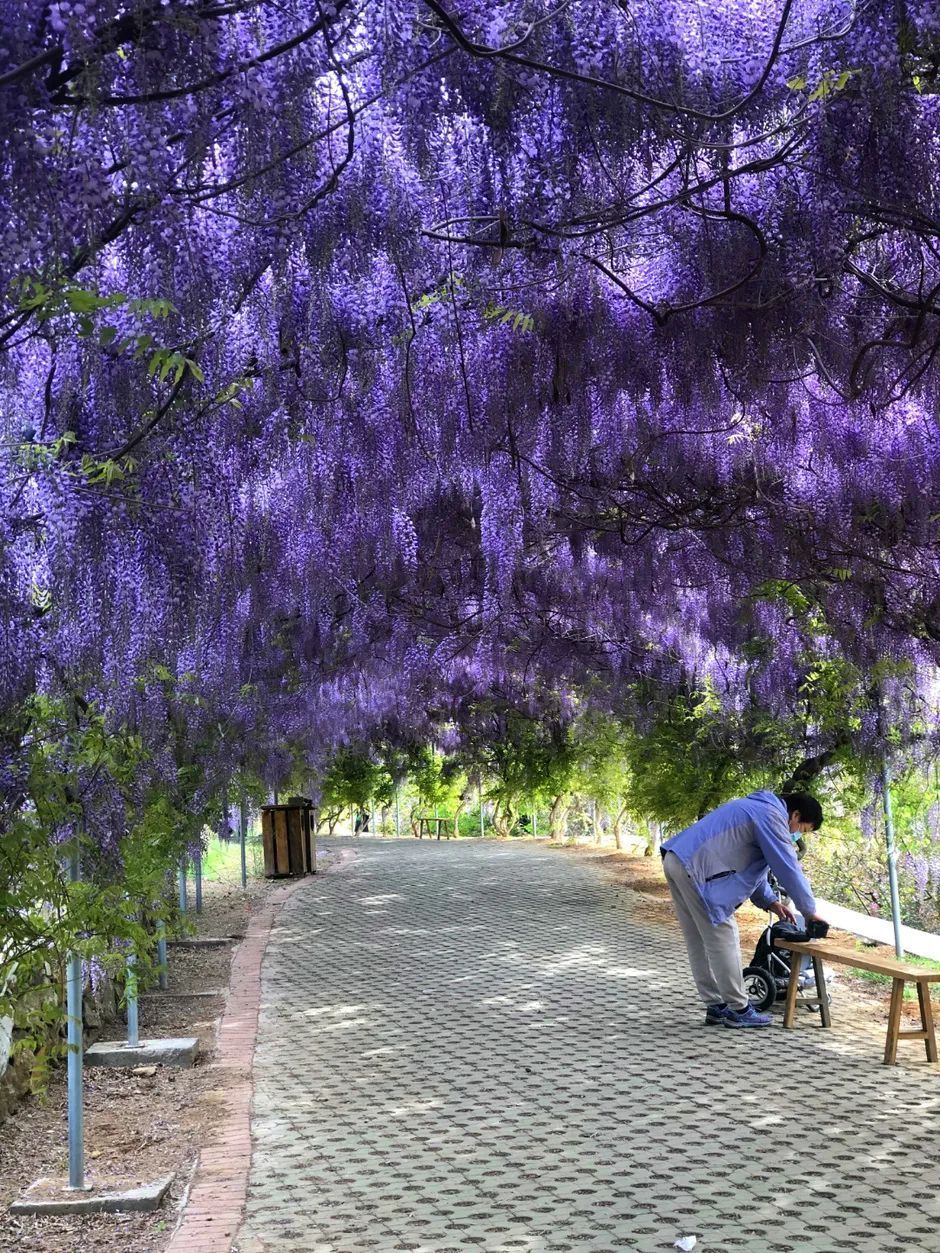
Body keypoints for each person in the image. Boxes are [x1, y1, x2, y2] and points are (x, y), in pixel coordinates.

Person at [661, 790, 827, 1028]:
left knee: (698, 940)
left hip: (678, 860)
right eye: (802, 829)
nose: (796, 835)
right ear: (795, 814)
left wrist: (770, 901)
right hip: (697, 870)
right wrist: (810, 912)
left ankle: (716, 1005)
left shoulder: (758, 809)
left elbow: (752, 868)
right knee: (724, 938)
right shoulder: (771, 816)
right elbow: (787, 867)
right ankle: (738, 1008)